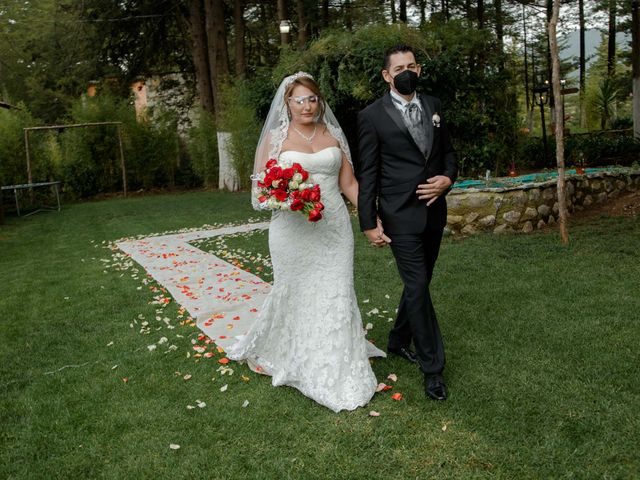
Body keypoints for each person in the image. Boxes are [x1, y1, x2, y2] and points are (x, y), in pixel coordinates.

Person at [226, 72, 385, 412]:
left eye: (312, 99)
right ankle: (295, 351)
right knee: (295, 288)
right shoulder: (275, 138)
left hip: (334, 230)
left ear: (319, 101)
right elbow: (259, 192)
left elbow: (350, 185)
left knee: (337, 288)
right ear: (288, 103)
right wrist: (288, 196)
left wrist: (372, 219)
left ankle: (337, 360)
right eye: (300, 100)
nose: (307, 106)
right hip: (291, 230)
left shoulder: (332, 134)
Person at [356, 45, 458, 401]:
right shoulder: (371, 116)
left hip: (434, 211)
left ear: (420, 69)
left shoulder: (434, 106)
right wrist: (369, 221)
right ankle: (433, 369)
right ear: (387, 75)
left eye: (411, 65)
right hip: (399, 214)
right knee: (417, 285)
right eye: (399, 67)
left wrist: (448, 178)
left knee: (420, 282)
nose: (406, 71)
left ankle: (398, 340)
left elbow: (447, 153)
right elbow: (368, 173)